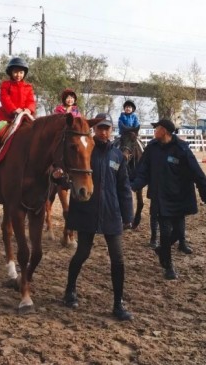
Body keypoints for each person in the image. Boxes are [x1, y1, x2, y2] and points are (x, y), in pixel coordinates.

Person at [56, 113, 134, 321]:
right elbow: (70, 179)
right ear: (94, 129)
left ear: (111, 130)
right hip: (87, 211)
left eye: (107, 128)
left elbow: (124, 187)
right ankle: (70, 290)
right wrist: (59, 180)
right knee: (82, 253)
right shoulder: (86, 151)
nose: (103, 131)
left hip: (111, 213)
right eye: (100, 127)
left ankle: (118, 303)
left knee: (118, 259)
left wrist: (128, 215)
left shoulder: (117, 156)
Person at [131, 118, 206, 280]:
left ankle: (162, 249)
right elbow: (142, 172)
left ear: (165, 131)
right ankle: (168, 266)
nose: (154, 131)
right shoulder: (152, 149)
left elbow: (197, 172)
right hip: (160, 198)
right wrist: (132, 185)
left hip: (179, 197)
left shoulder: (181, 149)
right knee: (166, 233)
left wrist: (205, 193)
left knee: (179, 231)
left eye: (157, 128)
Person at [0, 57, 36, 174]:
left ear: (24, 73)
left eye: (21, 72)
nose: (18, 75)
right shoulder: (6, 85)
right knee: (0, 129)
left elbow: (31, 101)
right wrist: (14, 110)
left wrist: (29, 110)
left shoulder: (28, 87)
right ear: (11, 72)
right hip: (8, 117)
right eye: (15, 72)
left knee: (36, 131)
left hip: (24, 116)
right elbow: (4, 99)